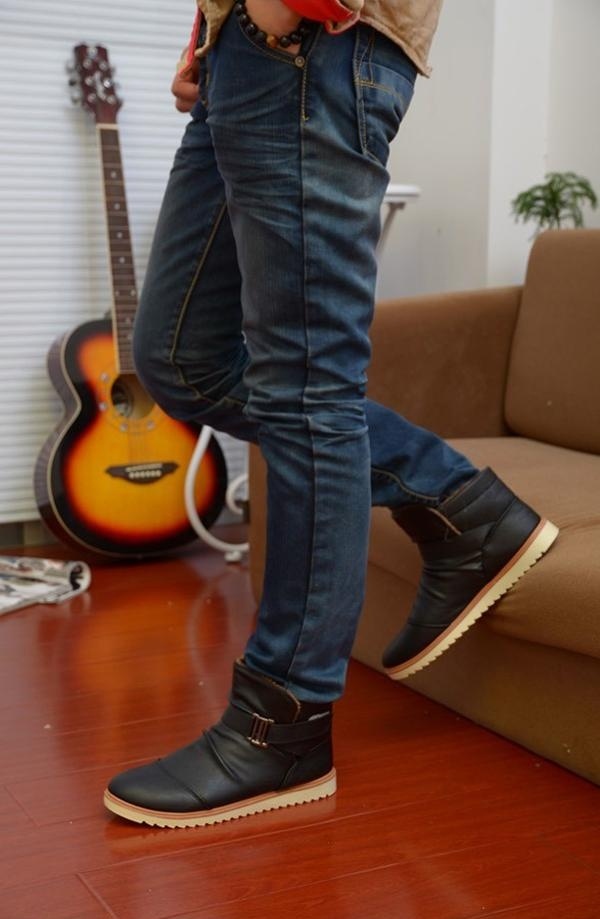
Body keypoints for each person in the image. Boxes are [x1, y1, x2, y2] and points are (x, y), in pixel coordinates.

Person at [104, 0, 558, 829]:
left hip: (311, 48)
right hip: (245, 56)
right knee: (180, 357)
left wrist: (284, 11)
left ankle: (283, 724)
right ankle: (461, 507)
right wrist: (210, 33)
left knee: (309, 389)